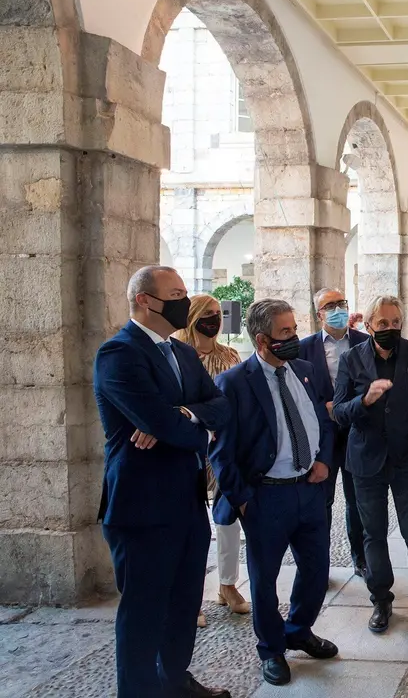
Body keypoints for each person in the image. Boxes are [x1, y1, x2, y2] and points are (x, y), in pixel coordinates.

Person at [93, 265, 232, 698]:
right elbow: (163, 424)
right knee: (144, 612)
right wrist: (189, 426)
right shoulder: (119, 353)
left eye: (185, 293)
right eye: (175, 295)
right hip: (142, 506)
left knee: (184, 603)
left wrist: (185, 414)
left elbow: (221, 406)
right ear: (144, 300)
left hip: (187, 500)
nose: (184, 302)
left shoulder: (183, 353)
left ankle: (174, 681)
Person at [210, 299, 339, 687]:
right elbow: (221, 452)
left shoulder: (304, 370)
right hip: (266, 497)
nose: (295, 337)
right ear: (262, 340)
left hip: (309, 490)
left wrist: (323, 461)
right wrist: (242, 498)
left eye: (294, 329)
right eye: (286, 332)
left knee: (316, 569)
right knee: (264, 579)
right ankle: (271, 649)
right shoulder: (234, 383)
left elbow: (324, 421)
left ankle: (298, 630)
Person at [333, 296, 408, 637]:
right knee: (373, 534)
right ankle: (381, 599)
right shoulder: (351, 358)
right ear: (369, 326)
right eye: (383, 323)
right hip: (366, 461)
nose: (390, 328)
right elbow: (339, 411)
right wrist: (365, 400)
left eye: (396, 323)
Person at [172, 294, 250, 628]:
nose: (215, 320)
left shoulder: (229, 355)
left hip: (225, 447)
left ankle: (227, 584)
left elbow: (235, 402)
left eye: (218, 313)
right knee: (187, 525)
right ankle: (188, 596)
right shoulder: (177, 356)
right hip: (189, 447)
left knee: (227, 517)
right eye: (207, 314)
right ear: (192, 317)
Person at [298, 288, 369, 579]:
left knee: (357, 501)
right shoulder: (304, 348)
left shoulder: (364, 342)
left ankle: (361, 559)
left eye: (341, 303)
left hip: (356, 432)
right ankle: (319, 564)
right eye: (330, 305)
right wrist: (323, 408)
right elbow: (298, 392)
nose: (338, 309)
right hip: (321, 436)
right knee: (321, 502)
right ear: (319, 314)